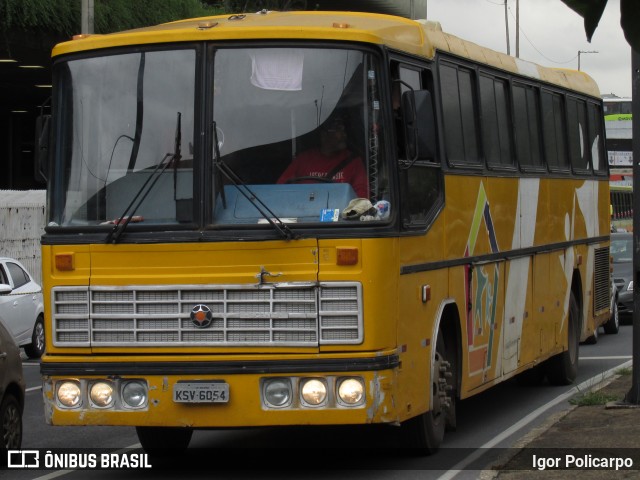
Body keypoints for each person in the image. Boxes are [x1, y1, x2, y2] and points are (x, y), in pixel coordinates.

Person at [277, 116, 368, 198]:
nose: (344, 135)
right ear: (323, 135)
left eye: (343, 130)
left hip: (339, 215)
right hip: (303, 213)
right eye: (338, 130)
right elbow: (280, 190)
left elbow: (362, 196)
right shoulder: (304, 159)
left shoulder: (353, 161)